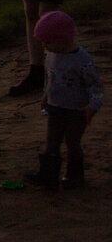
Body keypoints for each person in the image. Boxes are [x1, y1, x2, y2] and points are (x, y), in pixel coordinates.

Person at [23, 11, 102, 190]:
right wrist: (46, 97)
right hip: (55, 107)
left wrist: (92, 106)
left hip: (77, 110)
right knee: (52, 141)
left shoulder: (82, 61)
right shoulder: (51, 56)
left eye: (47, 42)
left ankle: (74, 176)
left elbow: (96, 86)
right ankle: (48, 175)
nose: (44, 46)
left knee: (72, 142)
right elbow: (49, 79)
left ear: (62, 39)